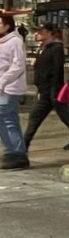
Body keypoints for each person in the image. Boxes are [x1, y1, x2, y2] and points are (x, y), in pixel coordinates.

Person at [24, 24, 69, 150]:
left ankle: (25, 143)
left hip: (52, 90)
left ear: (49, 33)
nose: (37, 34)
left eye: (40, 31)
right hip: (44, 90)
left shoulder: (56, 48)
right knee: (37, 116)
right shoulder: (42, 48)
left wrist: (55, 90)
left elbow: (57, 70)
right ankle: (25, 142)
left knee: (63, 115)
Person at [0, 15, 29, 169]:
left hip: (10, 88)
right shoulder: (2, 42)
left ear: (7, 26)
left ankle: (18, 152)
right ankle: (12, 150)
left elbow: (18, 65)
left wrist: (3, 81)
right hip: (3, 88)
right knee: (4, 119)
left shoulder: (15, 41)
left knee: (9, 119)